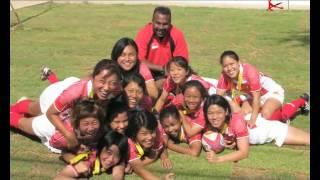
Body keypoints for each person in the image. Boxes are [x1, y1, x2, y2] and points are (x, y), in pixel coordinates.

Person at [10, 59, 123, 150]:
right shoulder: (75, 92)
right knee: (33, 110)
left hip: (70, 109)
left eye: (112, 83)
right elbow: (51, 113)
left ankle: (23, 102)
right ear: (93, 79)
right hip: (54, 96)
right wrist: (68, 135)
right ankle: (15, 108)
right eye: (102, 82)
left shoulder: (116, 89)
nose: (107, 88)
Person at [216, 50, 309, 127]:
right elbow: (217, 97)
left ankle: (302, 100)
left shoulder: (249, 71)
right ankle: (267, 111)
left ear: (238, 62)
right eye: (225, 66)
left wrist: (253, 120)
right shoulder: (224, 75)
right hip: (253, 95)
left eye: (232, 64)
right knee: (242, 114)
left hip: (272, 93)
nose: (229, 68)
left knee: (266, 115)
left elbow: (256, 98)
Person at [10, 98, 105, 154]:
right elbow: (53, 142)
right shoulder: (63, 137)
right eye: (86, 124)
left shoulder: (100, 129)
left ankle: (20, 105)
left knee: (31, 108)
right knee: (22, 124)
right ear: (77, 123)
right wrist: (74, 148)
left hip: (59, 116)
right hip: (48, 126)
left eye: (94, 123)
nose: (91, 128)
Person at [135, 6, 189, 89]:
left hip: (170, 73)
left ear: (170, 23)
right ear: (152, 21)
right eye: (158, 23)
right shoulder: (144, 33)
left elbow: (182, 63)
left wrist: (170, 71)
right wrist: (163, 68)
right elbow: (139, 60)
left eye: (165, 24)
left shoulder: (177, 34)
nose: (161, 27)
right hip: (148, 73)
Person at [54, 130, 129, 179]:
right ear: (101, 147)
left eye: (117, 155)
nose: (111, 159)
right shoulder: (89, 159)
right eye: (108, 153)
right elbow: (61, 177)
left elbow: (118, 174)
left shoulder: (118, 161)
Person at [126, 109, 174, 180]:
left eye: (152, 132)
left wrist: (164, 156)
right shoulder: (129, 143)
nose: (149, 137)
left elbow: (159, 150)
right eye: (144, 134)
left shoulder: (158, 132)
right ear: (134, 134)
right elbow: (138, 168)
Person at [203, 94, 250, 163]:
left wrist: (218, 159)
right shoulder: (205, 122)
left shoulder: (237, 122)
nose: (214, 117)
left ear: (226, 111)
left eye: (219, 112)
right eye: (210, 113)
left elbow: (244, 152)